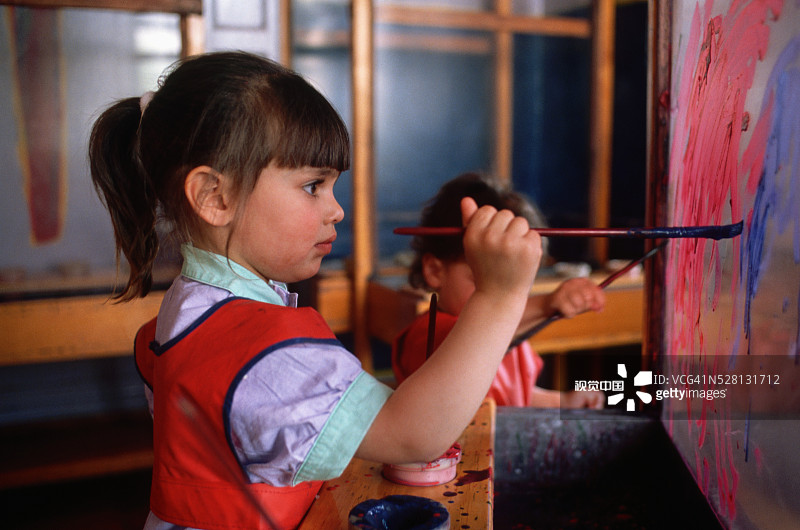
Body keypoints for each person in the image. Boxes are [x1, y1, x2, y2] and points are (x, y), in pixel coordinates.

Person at [89, 52, 543, 530]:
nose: (336, 210)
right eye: (313, 186)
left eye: (332, 187)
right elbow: (414, 437)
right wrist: (499, 296)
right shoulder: (257, 345)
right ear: (214, 197)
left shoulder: (196, 302)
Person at [392, 172, 606, 409]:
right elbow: (470, 340)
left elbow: (515, 393)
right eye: (483, 279)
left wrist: (563, 401)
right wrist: (547, 304)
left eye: (517, 283)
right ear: (435, 270)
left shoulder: (512, 333)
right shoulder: (427, 335)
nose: (508, 297)